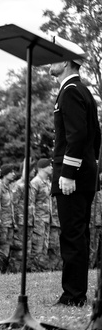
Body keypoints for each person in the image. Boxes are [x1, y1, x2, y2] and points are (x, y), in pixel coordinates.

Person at [49, 57, 101, 306]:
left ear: (67, 62)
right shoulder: (82, 90)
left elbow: (77, 135)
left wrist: (68, 173)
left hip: (73, 176)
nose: (49, 63)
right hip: (84, 172)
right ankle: (75, 291)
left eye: (54, 59)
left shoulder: (70, 91)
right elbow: (95, 137)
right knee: (77, 234)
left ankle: (73, 295)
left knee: (72, 235)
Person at [29, 158, 53, 273]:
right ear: (42, 168)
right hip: (38, 220)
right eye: (49, 165)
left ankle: (41, 269)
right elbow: (31, 202)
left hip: (47, 219)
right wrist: (33, 220)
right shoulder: (35, 182)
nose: (52, 168)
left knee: (45, 246)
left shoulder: (48, 182)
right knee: (37, 247)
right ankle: (34, 269)